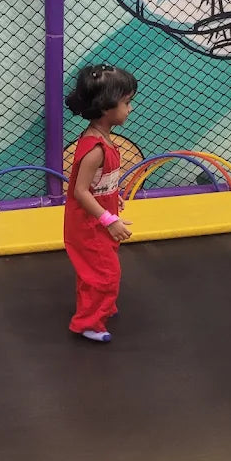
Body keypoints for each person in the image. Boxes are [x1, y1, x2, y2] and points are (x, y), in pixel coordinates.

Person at [64, 64, 137, 343]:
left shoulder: (104, 138)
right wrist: (109, 219)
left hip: (99, 216)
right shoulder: (94, 149)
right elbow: (81, 191)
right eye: (126, 102)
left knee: (94, 270)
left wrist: (111, 195)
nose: (130, 109)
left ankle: (100, 306)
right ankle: (88, 323)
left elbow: (96, 183)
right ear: (106, 107)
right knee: (106, 273)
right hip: (89, 224)